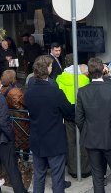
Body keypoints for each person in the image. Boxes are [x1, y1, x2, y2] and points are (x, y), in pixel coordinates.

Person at [76, 58, 111, 193]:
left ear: (89, 73)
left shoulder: (82, 91)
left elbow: (79, 119)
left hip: (92, 139)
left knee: (97, 177)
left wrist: (87, 132)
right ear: (103, 71)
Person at [25, 58, 75, 193]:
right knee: (57, 179)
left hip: (37, 140)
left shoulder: (29, 93)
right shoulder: (55, 92)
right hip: (54, 142)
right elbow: (70, 112)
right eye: (51, 65)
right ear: (47, 68)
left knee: (39, 177)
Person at [56, 63, 92, 178]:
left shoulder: (60, 78)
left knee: (70, 142)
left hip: (66, 115)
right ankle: (85, 169)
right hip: (81, 114)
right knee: (83, 141)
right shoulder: (84, 79)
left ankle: (73, 169)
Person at [0, 70, 29, 154]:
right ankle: (25, 159)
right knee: (23, 138)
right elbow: (24, 103)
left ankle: (17, 157)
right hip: (20, 117)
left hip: (9, 116)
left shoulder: (1, 89)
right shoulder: (15, 91)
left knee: (15, 138)